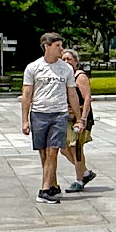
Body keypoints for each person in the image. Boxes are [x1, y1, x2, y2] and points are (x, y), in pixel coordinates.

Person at [20, 34, 79, 204]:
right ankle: (52, 184)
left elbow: (72, 94)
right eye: (58, 45)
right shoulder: (33, 67)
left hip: (59, 113)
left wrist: (78, 117)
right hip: (39, 113)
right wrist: (25, 120)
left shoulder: (66, 69)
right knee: (44, 153)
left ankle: (44, 190)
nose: (61, 49)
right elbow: (27, 94)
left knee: (53, 150)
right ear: (47, 46)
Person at [62, 49, 99, 191]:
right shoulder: (66, 76)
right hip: (68, 117)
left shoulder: (80, 77)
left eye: (69, 59)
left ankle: (79, 180)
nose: (66, 62)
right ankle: (85, 172)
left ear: (76, 61)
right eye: (63, 59)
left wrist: (82, 118)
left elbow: (87, 98)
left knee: (75, 147)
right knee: (64, 149)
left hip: (80, 118)